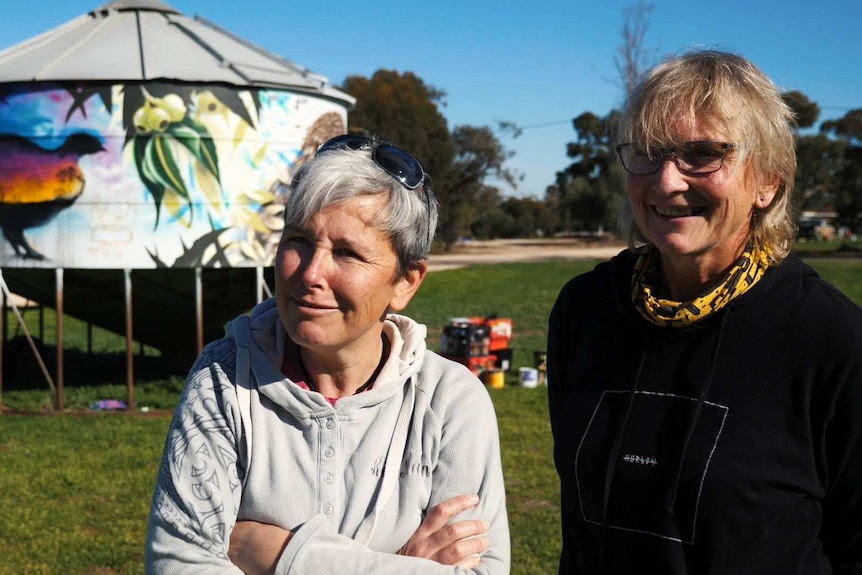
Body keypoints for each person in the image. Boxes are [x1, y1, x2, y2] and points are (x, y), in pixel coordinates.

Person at [547, 50, 862, 574]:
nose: (667, 181)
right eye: (647, 152)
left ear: (768, 182)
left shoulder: (831, 340)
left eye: (702, 154)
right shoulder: (586, 310)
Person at [145, 135, 510, 575]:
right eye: (298, 240)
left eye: (347, 252)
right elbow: (178, 564)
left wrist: (280, 555)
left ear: (406, 282)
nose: (311, 273)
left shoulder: (450, 402)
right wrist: (402, 567)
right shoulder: (224, 379)